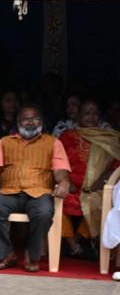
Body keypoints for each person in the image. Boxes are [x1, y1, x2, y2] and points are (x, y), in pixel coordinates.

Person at [0, 106, 71, 272]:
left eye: (35, 118)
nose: (30, 122)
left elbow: (60, 171)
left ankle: (33, 254)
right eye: (25, 119)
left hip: (39, 192)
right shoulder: (4, 142)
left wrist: (64, 182)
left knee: (43, 212)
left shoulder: (53, 143)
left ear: (42, 122)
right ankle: (6, 254)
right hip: (9, 191)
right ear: (17, 123)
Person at [59, 100, 120, 257]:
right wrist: (66, 180)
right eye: (87, 113)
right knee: (56, 199)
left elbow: (116, 166)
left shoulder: (109, 138)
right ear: (78, 116)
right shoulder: (66, 137)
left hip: (95, 187)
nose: (91, 117)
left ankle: (76, 242)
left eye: (95, 113)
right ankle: (74, 246)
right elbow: (57, 161)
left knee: (99, 202)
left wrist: (102, 181)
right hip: (70, 185)